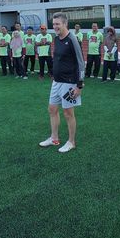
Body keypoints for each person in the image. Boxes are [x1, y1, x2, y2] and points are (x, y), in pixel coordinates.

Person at [38, 12, 85, 153]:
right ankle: (54, 138)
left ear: (65, 24)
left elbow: (81, 63)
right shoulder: (56, 38)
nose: (55, 27)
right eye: (54, 24)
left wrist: (80, 85)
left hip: (69, 82)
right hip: (57, 82)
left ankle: (71, 142)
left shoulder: (72, 39)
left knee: (68, 113)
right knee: (52, 109)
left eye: (58, 24)